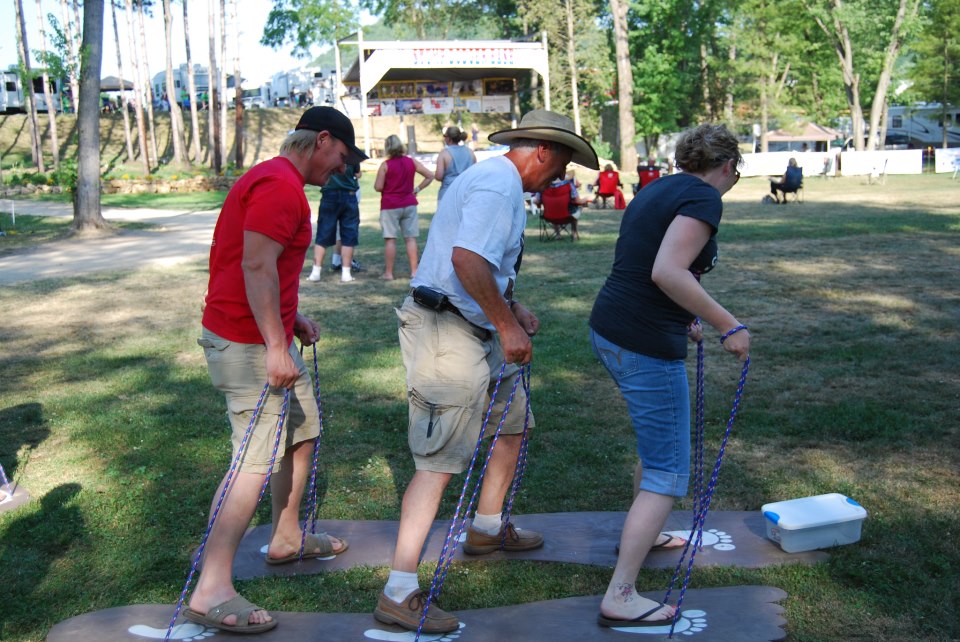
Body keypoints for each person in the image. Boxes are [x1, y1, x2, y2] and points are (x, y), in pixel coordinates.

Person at [373, 109, 599, 635]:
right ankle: (398, 592)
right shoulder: (499, 186)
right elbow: (467, 262)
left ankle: (486, 528)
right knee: (438, 462)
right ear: (542, 150)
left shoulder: (501, 183)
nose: (562, 176)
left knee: (511, 427)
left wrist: (509, 309)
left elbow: (487, 267)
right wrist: (508, 327)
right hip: (445, 331)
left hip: (471, 324)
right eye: (563, 163)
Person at [187, 106, 367, 635]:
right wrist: (274, 345)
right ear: (323, 140)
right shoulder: (278, 186)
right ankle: (211, 589)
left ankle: (287, 536)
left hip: (264, 337)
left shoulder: (278, 180)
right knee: (252, 461)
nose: (340, 169)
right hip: (247, 347)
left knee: (301, 433)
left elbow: (264, 268)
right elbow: (255, 266)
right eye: (340, 157)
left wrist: (293, 318)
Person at [589, 123, 750, 628]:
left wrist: (685, 319)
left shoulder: (659, 186)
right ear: (726, 167)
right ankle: (621, 595)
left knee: (656, 448)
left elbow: (644, 263)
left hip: (611, 328)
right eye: (736, 173)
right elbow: (667, 271)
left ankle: (650, 534)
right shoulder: (704, 198)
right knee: (667, 472)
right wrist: (729, 325)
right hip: (641, 343)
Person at [373, 134, 434, 281]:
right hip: (409, 203)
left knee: (390, 239)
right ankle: (414, 271)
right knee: (410, 238)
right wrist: (417, 189)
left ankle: (389, 273)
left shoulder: (385, 165)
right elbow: (429, 175)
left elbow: (378, 186)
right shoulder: (411, 162)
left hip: (390, 205)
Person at [307, 163, 362, 283]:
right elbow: (358, 174)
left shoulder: (327, 153)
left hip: (329, 195)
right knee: (349, 234)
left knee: (323, 234)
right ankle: (346, 273)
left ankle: (315, 272)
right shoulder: (352, 156)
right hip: (349, 195)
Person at [535, 169, 589, 240]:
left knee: (553, 209)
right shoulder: (568, 185)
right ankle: (574, 233)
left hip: (549, 216)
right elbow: (578, 200)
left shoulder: (543, 186)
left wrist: (540, 204)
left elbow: (536, 201)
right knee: (575, 210)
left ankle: (557, 234)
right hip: (567, 216)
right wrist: (586, 199)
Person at [434, 126, 477, 206]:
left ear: (448, 138)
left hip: (447, 193)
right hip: (466, 192)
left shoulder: (444, 153)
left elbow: (439, 176)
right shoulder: (470, 152)